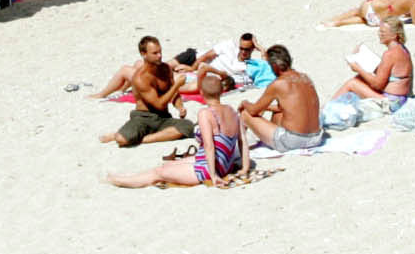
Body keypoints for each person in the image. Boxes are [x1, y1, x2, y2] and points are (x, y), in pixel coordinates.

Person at [107, 69, 249, 188]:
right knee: (169, 165)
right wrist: (245, 167)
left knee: (159, 172)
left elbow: (209, 146)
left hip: (210, 168)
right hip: (225, 164)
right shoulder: (232, 111)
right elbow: (243, 141)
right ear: (221, 92)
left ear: (202, 93)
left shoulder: (205, 113)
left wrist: (213, 176)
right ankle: (125, 178)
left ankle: (118, 181)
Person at [98, 37, 196, 148]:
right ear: (143, 54)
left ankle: (143, 139)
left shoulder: (166, 69)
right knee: (122, 140)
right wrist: (177, 85)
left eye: (160, 52)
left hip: (163, 117)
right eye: (155, 53)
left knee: (188, 126)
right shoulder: (140, 78)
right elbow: (159, 104)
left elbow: (173, 93)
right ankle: (118, 134)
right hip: (143, 118)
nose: (159, 55)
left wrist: (179, 107)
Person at [241, 44, 325, 151]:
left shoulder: (278, 83)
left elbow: (253, 111)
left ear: (275, 66)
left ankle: (240, 150)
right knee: (279, 114)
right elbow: (287, 107)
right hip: (315, 138)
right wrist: (267, 107)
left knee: (245, 113)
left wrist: (245, 102)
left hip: (293, 141)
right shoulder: (306, 78)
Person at [334, 16, 414, 106]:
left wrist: (358, 68)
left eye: (383, 32)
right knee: (359, 78)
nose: (379, 34)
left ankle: (324, 109)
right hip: (402, 98)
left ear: (394, 35)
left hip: (392, 102)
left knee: (351, 84)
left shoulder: (390, 54)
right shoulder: (402, 49)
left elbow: (377, 85)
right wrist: (362, 58)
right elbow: (387, 72)